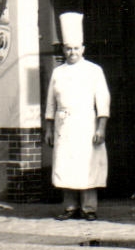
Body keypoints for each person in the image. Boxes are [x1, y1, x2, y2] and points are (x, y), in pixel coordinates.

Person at [43, 12, 110, 221]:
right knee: (66, 165)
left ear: (83, 49)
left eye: (76, 48)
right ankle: (70, 207)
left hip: (86, 125)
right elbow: (50, 102)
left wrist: (101, 128)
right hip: (64, 126)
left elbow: (103, 102)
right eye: (68, 48)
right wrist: (48, 127)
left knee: (87, 165)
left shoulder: (94, 70)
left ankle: (89, 208)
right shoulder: (58, 72)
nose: (72, 52)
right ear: (64, 49)